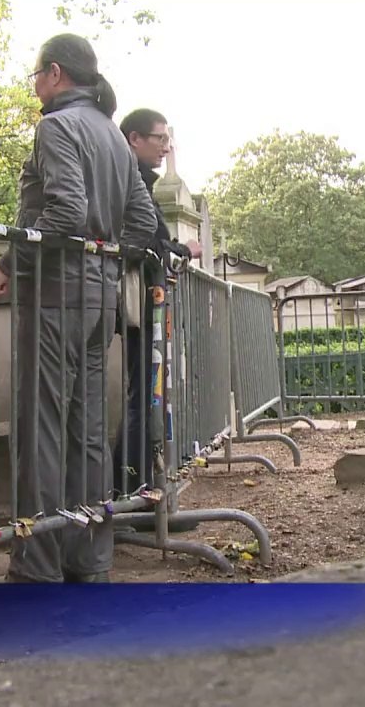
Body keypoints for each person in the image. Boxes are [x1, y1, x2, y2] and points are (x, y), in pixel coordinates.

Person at [0, 34, 159, 583]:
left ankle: (35, 568)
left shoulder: (56, 126)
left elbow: (64, 209)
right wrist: (108, 264)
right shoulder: (112, 133)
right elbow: (142, 223)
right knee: (87, 433)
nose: (34, 85)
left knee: (41, 430)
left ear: (55, 73)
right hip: (96, 301)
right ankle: (89, 560)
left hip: (55, 297)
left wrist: (11, 264)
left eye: (35, 75)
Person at [115, 109, 200, 489]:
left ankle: (140, 483)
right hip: (138, 301)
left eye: (168, 140)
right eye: (160, 139)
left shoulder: (136, 179)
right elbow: (146, 238)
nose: (166, 147)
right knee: (143, 395)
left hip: (147, 300)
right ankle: (134, 486)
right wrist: (182, 249)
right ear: (135, 138)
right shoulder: (127, 179)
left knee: (148, 393)